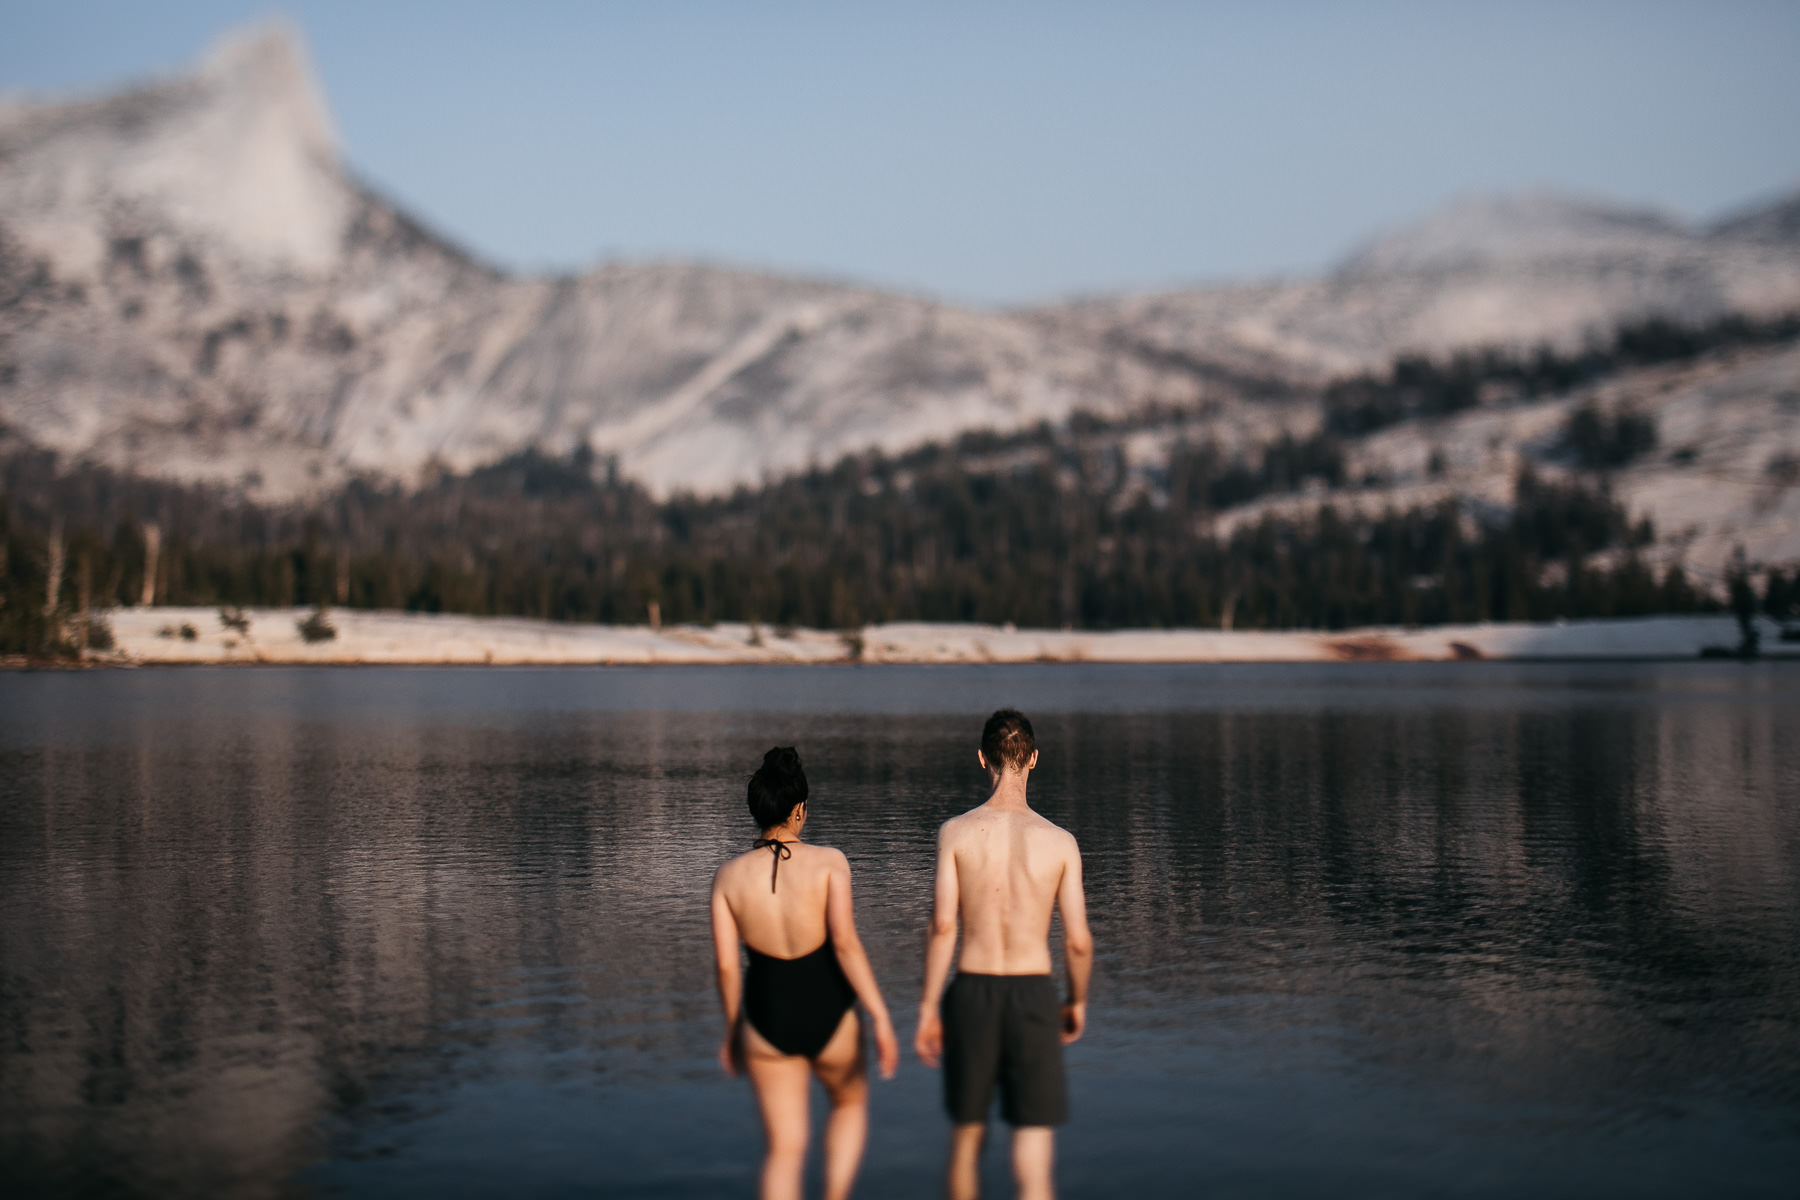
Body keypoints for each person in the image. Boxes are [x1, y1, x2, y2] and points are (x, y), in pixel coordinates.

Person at [915, 709, 1093, 1200]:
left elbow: (944, 925)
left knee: (967, 1140)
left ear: (981, 760)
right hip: (1033, 993)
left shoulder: (955, 833)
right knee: (1032, 1154)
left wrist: (929, 1007)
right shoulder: (1061, 843)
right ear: (1034, 759)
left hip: (972, 989)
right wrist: (1076, 1000)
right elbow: (1078, 939)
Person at [712, 746, 901, 1200]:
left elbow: (725, 966)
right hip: (830, 1011)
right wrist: (881, 1016)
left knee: (785, 1147)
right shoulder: (831, 862)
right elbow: (845, 944)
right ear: (799, 810)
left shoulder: (727, 878)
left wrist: (732, 1029)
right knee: (849, 1104)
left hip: (765, 1016)